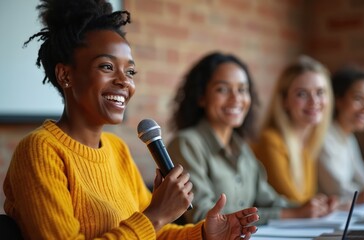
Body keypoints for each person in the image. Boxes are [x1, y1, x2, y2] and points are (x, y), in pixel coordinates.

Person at [2, 0, 259, 239]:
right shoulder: (40, 151)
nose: (125, 81)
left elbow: (153, 233)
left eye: (130, 71)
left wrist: (203, 234)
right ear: (65, 75)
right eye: (106, 66)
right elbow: (150, 223)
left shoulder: (118, 150)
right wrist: (156, 215)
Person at [166, 52, 333, 225]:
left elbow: (268, 199)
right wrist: (292, 214)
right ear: (201, 96)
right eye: (222, 89)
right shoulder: (186, 144)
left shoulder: (242, 147)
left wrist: (311, 207)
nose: (236, 98)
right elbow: (202, 215)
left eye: (242, 89)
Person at [251, 56, 338, 210]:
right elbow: (294, 203)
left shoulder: (307, 143)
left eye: (320, 92)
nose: (314, 101)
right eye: (302, 94)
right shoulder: (270, 140)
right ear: (284, 100)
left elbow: (306, 201)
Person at [317, 67, 364, 204]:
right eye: (358, 99)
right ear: (338, 100)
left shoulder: (348, 138)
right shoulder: (323, 137)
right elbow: (338, 188)